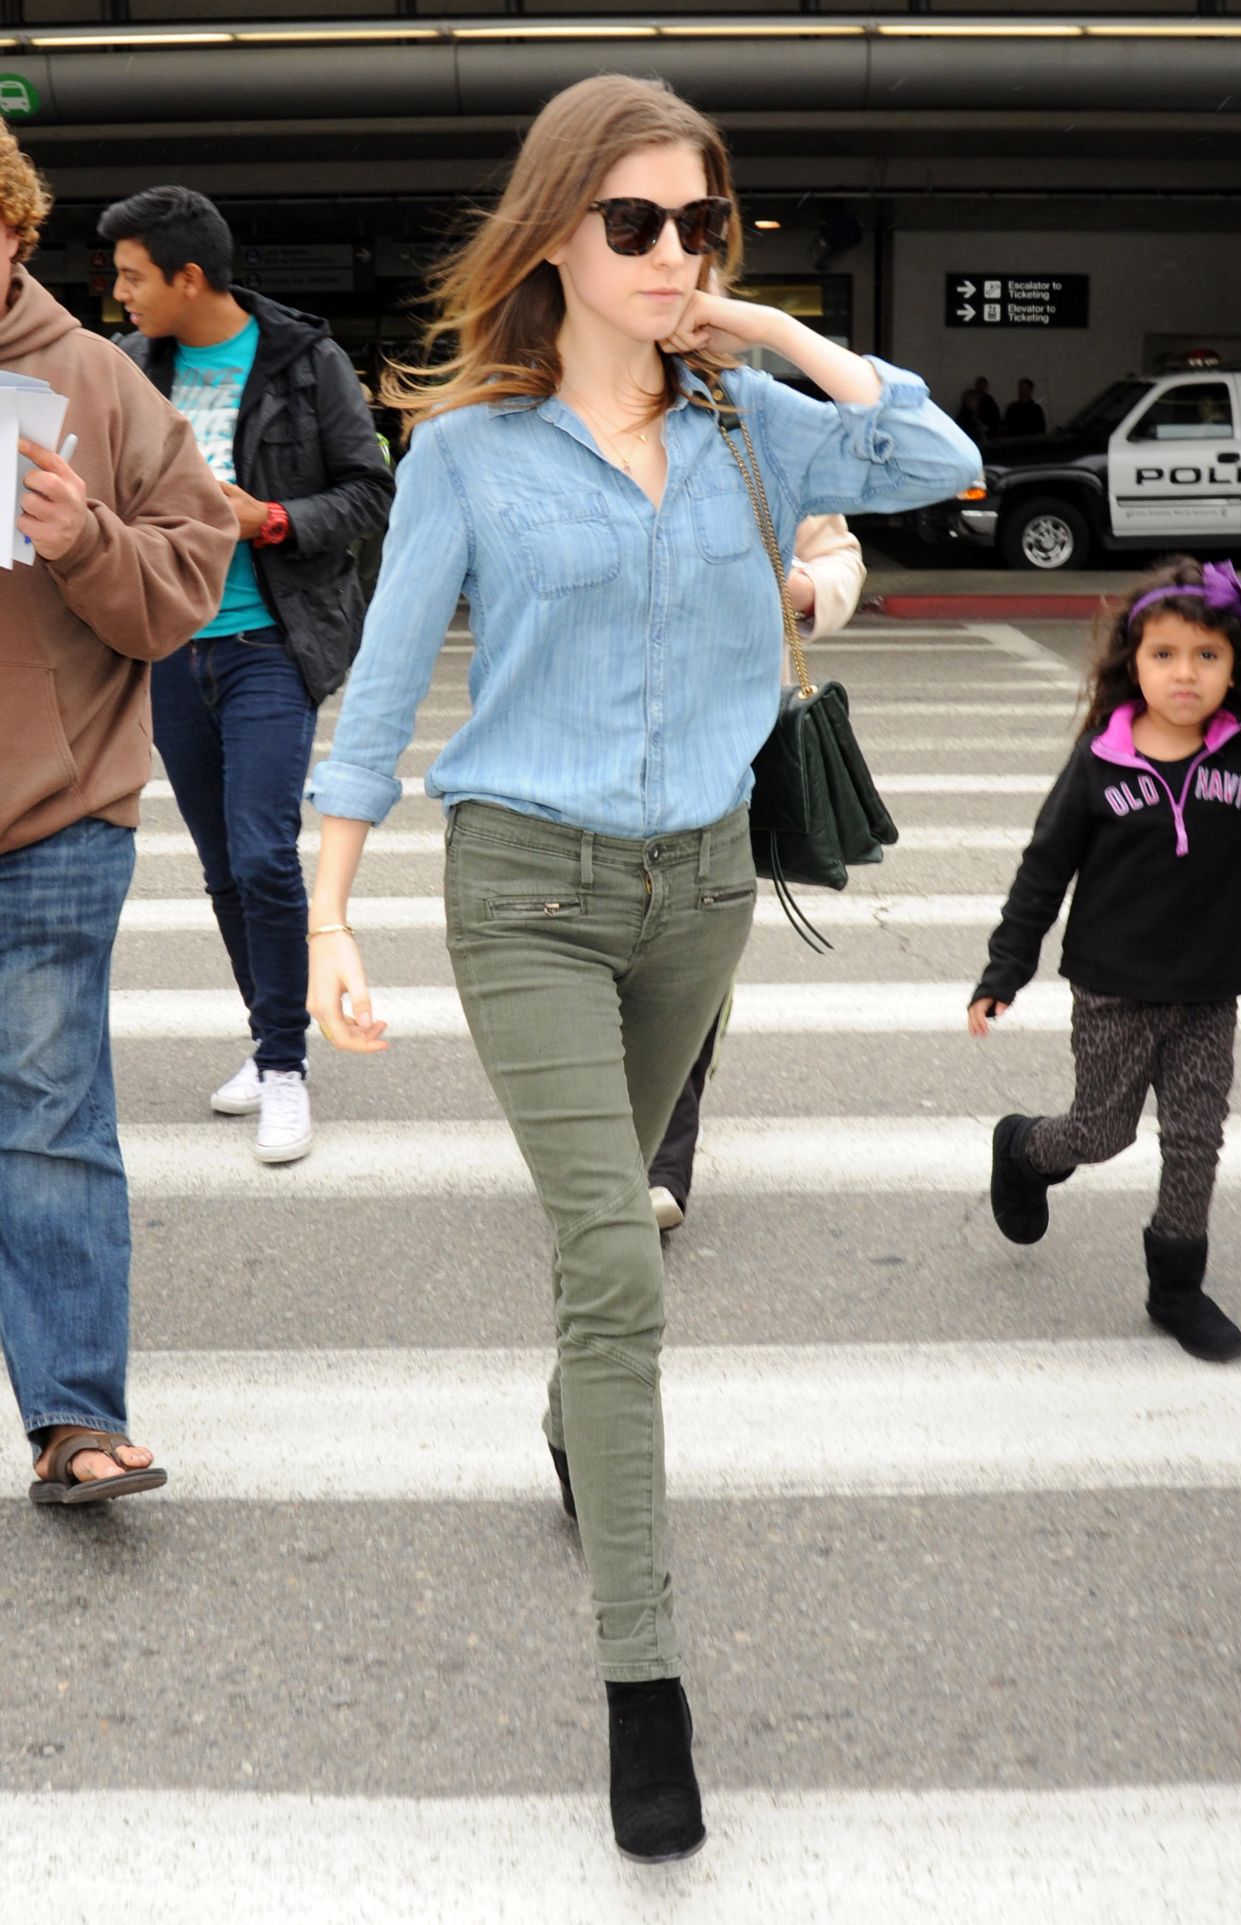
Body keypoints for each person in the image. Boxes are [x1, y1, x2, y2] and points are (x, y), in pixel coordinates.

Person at [306, 73, 979, 1863]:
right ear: (554, 236)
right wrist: (325, 918)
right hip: (524, 887)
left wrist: (762, 330)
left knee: (608, 1250)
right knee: (617, 1257)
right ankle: (646, 1688)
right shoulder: (465, 456)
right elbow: (378, 698)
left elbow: (938, 460)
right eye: (637, 224)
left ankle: (564, 1420)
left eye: (703, 223)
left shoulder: (756, 424)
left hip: (705, 885)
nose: (674, 252)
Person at [0, 124, 238, 1501]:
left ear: (16, 235)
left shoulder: (96, 383)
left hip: (53, 811)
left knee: (46, 1117)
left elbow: (186, 584)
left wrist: (84, 532)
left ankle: (75, 1420)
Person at [99, 186, 394, 1165]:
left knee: (265, 854)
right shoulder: (131, 369)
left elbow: (366, 491)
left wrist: (264, 517)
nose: (119, 293)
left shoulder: (305, 364)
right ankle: (270, 1040)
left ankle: (284, 1069)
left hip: (271, 635)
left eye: (133, 275)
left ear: (189, 277)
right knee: (224, 864)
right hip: (171, 647)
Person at [968, 557, 1241, 1365]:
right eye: (1165, 654)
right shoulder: (1100, 764)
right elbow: (1044, 868)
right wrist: (1005, 969)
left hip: (1210, 991)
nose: (1186, 672)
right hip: (1113, 991)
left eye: (1207, 656)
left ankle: (1176, 1285)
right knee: (1103, 1131)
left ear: (1234, 666)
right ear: (1133, 664)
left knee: (1195, 1138)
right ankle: (1026, 1149)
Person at [647, 510, 867, 1232]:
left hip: (723, 744)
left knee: (690, 954)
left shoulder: (751, 425)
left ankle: (659, 1164)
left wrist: (796, 585)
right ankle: (595, 1134)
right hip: (585, 739)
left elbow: (838, 558)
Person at [973, 375, 1002, 439]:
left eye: (983, 385)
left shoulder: (989, 400)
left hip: (990, 430)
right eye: (980, 385)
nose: (982, 387)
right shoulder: (972, 398)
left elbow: (996, 415)